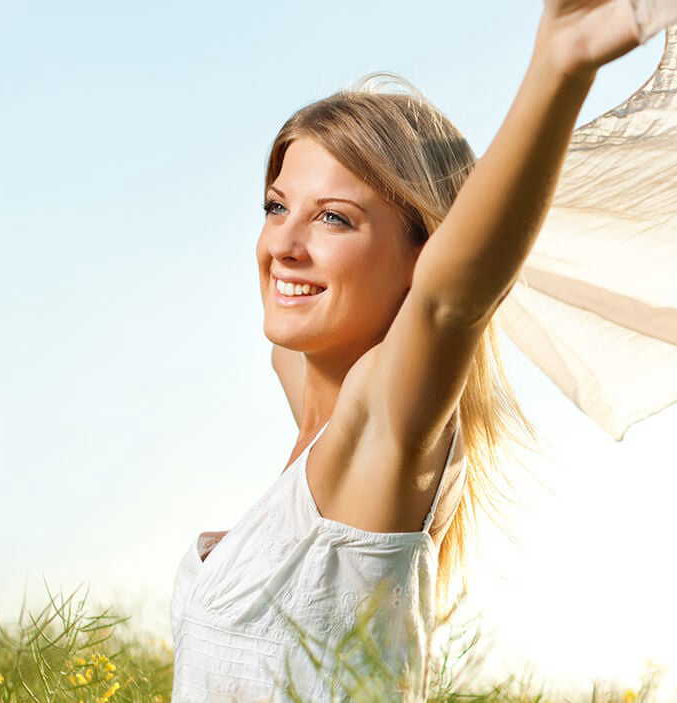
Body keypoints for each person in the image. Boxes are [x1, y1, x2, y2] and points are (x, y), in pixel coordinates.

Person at [169, 2, 646, 700]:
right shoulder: (314, 405)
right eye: (277, 207)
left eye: (334, 217)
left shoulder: (379, 430)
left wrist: (558, 69)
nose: (284, 245)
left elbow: (451, 300)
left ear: (426, 249)